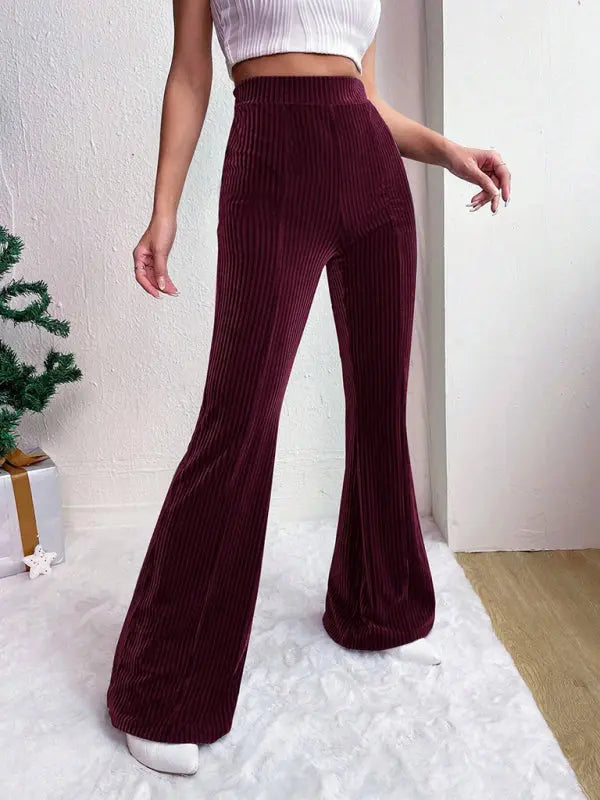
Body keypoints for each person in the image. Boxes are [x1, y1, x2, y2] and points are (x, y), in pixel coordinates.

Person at [106, 0, 512, 776]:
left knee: (380, 410)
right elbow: (190, 74)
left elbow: (365, 95)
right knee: (238, 421)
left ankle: (377, 610)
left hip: (372, 179)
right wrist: (163, 211)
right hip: (270, 167)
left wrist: (446, 150)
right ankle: (162, 692)